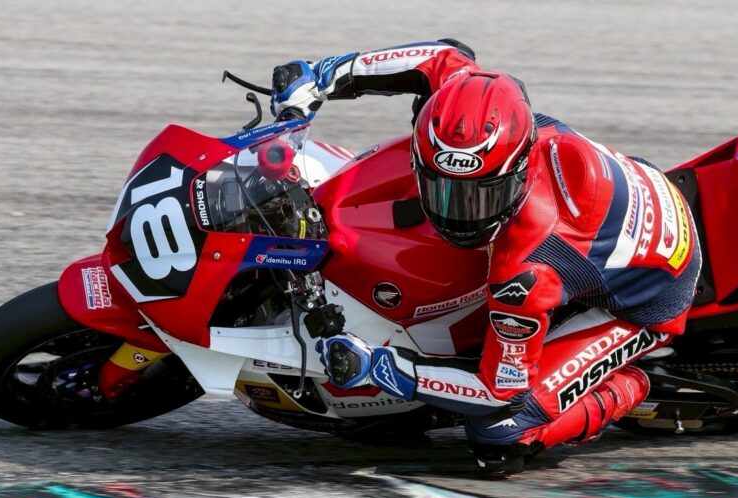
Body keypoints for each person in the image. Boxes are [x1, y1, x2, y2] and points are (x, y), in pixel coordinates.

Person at [271, 40, 701, 475]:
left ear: (517, 171)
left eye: (481, 197)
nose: (456, 214)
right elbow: (442, 56)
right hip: (634, 192)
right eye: (441, 188)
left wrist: (381, 368)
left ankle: (631, 386)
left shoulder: (527, 271)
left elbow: (499, 392)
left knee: (500, 433)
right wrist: (323, 76)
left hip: (652, 295)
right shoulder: (482, 104)